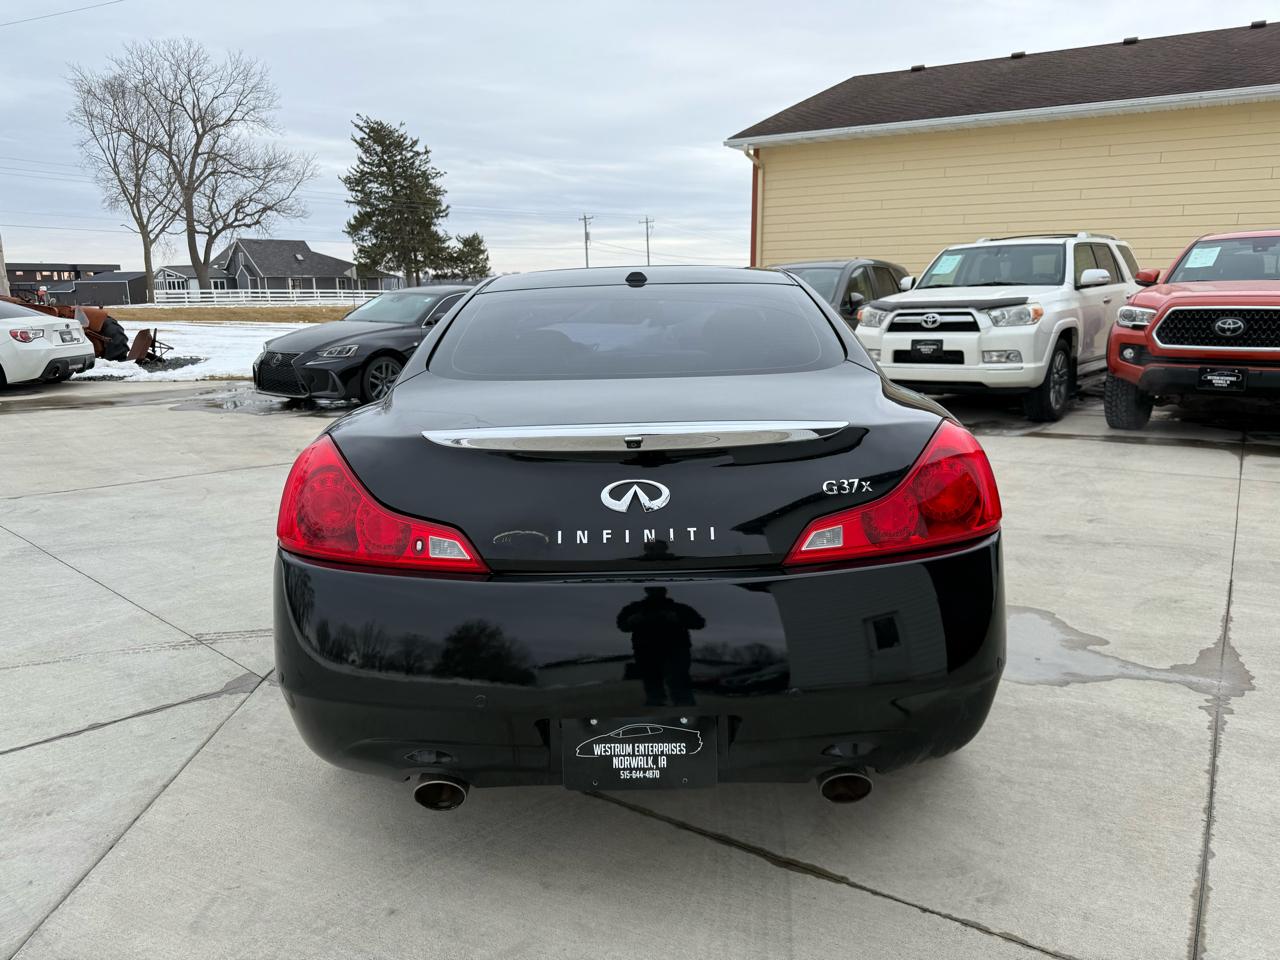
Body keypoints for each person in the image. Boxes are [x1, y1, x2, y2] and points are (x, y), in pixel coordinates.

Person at [616, 587, 704, 706]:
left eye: (658, 590)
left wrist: (678, 618)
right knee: (652, 682)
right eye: (653, 590)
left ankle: (684, 706)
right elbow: (622, 625)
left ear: (664, 591)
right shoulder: (635, 609)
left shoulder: (678, 608)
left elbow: (699, 623)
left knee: (678, 680)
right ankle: (657, 706)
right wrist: (632, 620)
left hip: (675, 651)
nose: (656, 592)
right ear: (647, 591)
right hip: (646, 652)